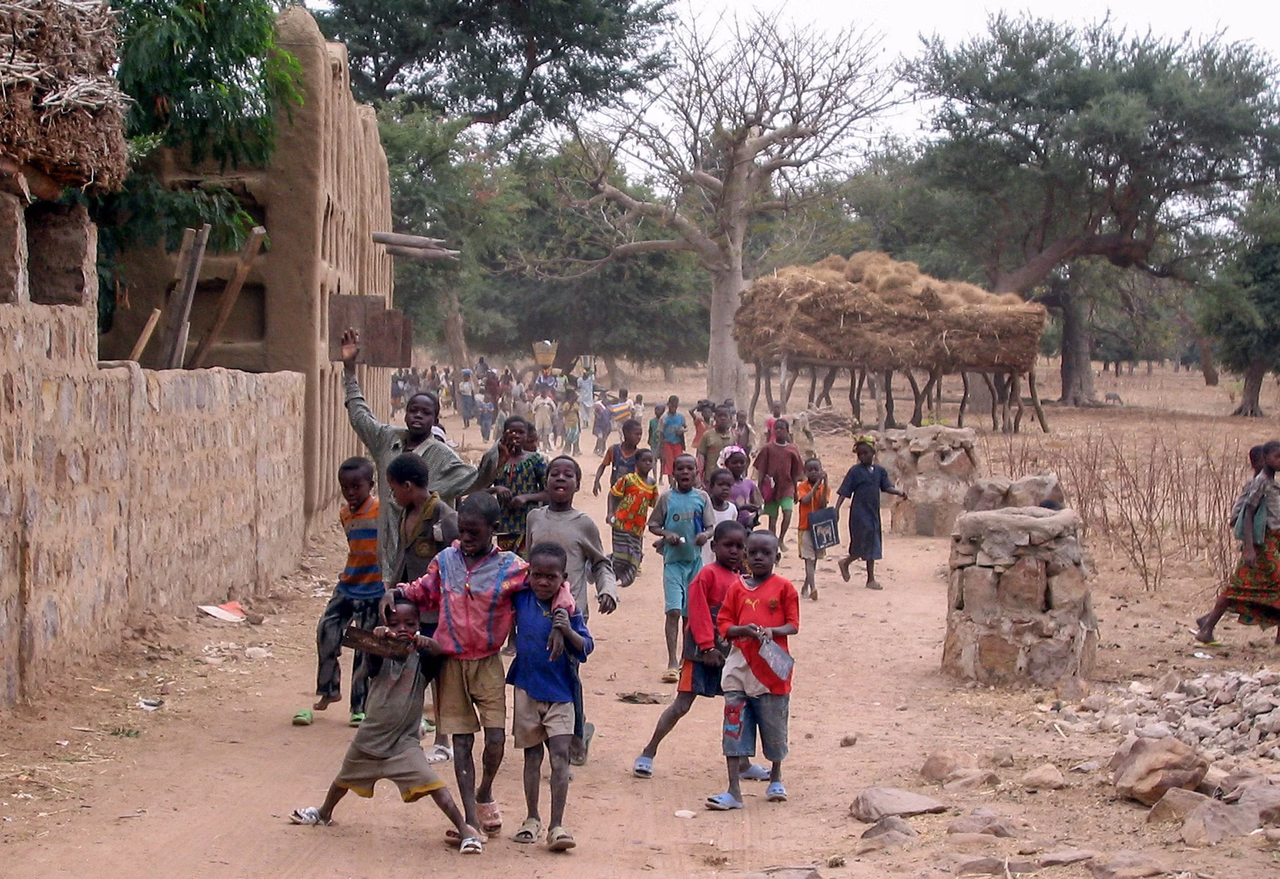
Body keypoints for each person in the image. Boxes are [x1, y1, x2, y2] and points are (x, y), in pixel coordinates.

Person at [386, 493, 573, 843]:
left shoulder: (512, 568)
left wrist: (562, 614)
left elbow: (557, 587)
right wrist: (393, 593)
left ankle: (485, 790)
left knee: (496, 740)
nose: (466, 539)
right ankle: (470, 819)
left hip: (487, 663)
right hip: (451, 663)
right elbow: (421, 593)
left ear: (494, 530)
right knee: (461, 743)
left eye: (474, 532)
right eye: (462, 531)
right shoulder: (444, 562)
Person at [289, 599, 484, 853]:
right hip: (369, 738)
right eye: (394, 624)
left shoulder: (422, 661)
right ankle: (324, 813)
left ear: (418, 625)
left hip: (404, 743)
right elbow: (369, 664)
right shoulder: (379, 656)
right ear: (385, 626)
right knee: (343, 779)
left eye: (410, 624)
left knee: (435, 785)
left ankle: (465, 831)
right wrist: (377, 642)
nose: (402, 629)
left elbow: (440, 653)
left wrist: (426, 642)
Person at [340, 328, 498, 575]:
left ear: (435, 419)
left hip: (427, 561)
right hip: (388, 556)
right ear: (405, 412)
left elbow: (477, 479)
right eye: (413, 410)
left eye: (426, 413)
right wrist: (349, 370)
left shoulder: (443, 457)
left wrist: (498, 455)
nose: (418, 416)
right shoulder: (387, 440)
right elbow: (360, 415)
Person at [632, 519, 767, 785]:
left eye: (740, 547)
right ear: (714, 546)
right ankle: (649, 751)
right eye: (728, 545)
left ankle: (743, 762)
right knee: (682, 705)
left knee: (737, 708)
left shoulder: (745, 579)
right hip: (701, 653)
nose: (734, 551)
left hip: (732, 655)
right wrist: (707, 646)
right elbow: (698, 612)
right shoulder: (706, 575)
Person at [525, 456, 619, 766]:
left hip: (571, 613)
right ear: (546, 480)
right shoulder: (535, 519)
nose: (560, 479)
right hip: (537, 611)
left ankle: (574, 736)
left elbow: (601, 562)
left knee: (568, 674)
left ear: (577, 484)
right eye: (555, 473)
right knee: (541, 670)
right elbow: (528, 562)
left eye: (568, 474)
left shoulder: (583, 523)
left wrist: (607, 590)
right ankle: (546, 732)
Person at [508, 543, 594, 852]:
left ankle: (557, 825)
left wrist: (566, 629)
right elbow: (508, 577)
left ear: (563, 578)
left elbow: (586, 647)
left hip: (560, 694)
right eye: (538, 575)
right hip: (528, 688)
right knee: (532, 757)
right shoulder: (521, 597)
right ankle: (532, 817)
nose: (543, 582)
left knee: (560, 757)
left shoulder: (569, 610)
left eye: (551, 577)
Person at [706, 530, 799, 811]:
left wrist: (771, 631)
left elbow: (793, 625)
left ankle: (776, 776)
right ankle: (734, 790)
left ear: (776, 557)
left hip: (772, 670)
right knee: (734, 726)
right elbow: (724, 624)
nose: (759, 558)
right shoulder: (736, 589)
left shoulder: (784, 588)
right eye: (753, 552)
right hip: (739, 666)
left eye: (766, 553)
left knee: (774, 726)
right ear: (745, 556)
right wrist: (743, 631)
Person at [385, 453, 459, 763]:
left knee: (438, 674)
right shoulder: (406, 513)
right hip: (411, 607)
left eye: (393, 489)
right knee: (410, 671)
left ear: (407, 485)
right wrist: (392, 590)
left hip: (437, 610)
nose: (392, 495)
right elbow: (401, 556)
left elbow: (457, 561)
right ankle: (411, 729)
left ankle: (444, 740)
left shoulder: (443, 515)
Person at [306, 457, 382, 727]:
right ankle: (329, 688)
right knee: (326, 631)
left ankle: (359, 706)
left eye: (356, 486)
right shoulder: (344, 514)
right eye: (345, 487)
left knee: (364, 647)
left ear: (370, 485)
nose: (350, 492)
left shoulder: (381, 511)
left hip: (375, 588)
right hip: (349, 584)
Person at [1195, 440, 1280, 645]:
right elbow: (1247, 512)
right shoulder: (1260, 482)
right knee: (1238, 588)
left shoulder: (1271, 483)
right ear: (1265, 458)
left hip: (1272, 543)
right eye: (1277, 457)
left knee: (1246, 588)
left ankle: (1207, 625)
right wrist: (1250, 548)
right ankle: (1206, 628)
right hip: (1262, 545)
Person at [648, 454, 713, 683]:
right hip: (673, 563)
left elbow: (710, 526)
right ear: (673, 472)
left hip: (695, 564)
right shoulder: (666, 499)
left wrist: (704, 535)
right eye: (680, 469)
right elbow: (653, 525)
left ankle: (687, 659)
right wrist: (667, 534)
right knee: (673, 611)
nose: (685, 473)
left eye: (689, 469)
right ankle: (672, 662)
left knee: (689, 614)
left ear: (697, 472)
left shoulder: (702, 498)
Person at [835, 438, 907, 590]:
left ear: (873, 453)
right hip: (859, 513)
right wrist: (836, 509)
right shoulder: (855, 471)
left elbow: (886, 487)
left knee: (873, 542)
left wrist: (899, 492)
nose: (862, 456)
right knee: (862, 542)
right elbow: (844, 491)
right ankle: (848, 564)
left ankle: (868, 577)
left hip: (873, 512)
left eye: (865, 453)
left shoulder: (879, 471)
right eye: (860, 454)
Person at [489, 417, 548, 556]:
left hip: (529, 525)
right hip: (504, 526)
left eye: (521, 432)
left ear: (527, 436)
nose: (516, 435)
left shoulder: (535, 460)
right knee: (506, 568)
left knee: (526, 566)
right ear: (503, 434)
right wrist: (497, 489)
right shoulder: (494, 460)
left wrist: (526, 497)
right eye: (512, 431)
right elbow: (479, 489)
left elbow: (549, 492)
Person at [752, 419, 804, 551]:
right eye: (777, 428)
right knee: (772, 519)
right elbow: (762, 468)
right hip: (771, 488)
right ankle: (773, 542)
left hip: (787, 487)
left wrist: (796, 491)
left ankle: (781, 539)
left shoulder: (792, 449)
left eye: (782, 428)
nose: (779, 431)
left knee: (788, 513)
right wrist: (760, 487)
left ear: (787, 431)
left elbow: (795, 472)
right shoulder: (768, 448)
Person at [609, 448, 658, 588]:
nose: (648, 464)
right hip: (621, 523)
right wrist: (610, 513)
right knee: (620, 557)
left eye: (651, 461)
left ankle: (600, 568)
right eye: (644, 461)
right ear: (636, 463)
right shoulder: (628, 479)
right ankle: (609, 585)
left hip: (638, 528)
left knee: (636, 555)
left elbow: (655, 504)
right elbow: (613, 494)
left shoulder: (652, 484)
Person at [593, 418, 643, 516]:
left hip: (632, 495)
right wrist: (596, 481)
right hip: (616, 494)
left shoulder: (639, 455)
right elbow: (603, 466)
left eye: (640, 434)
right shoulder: (614, 450)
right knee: (615, 521)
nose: (639, 437)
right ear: (626, 433)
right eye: (636, 434)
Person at [795, 458, 829, 601]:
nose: (814, 472)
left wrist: (825, 484)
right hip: (805, 527)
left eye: (816, 470)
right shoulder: (802, 487)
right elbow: (806, 500)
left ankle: (805, 585)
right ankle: (813, 588)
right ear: (805, 472)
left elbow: (823, 505)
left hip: (819, 527)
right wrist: (815, 487)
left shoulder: (825, 488)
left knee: (814, 560)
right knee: (809, 559)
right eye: (810, 470)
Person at [702, 469, 740, 567]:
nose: (725, 488)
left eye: (728, 485)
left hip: (722, 559)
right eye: (721, 485)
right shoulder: (702, 507)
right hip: (702, 555)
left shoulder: (732, 509)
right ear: (711, 487)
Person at [721, 446, 763, 530]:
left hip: (745, 527)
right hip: (725, 526)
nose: (739, 465)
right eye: (734, 462)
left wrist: (754, 517)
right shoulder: (721, 484)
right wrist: (742, 508)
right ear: (726, 463)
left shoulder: (749, 484)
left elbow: (759, 505)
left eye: (742, 462)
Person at [696, 406, 736, 486]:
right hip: (710, 479)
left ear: (730, 418)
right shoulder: (707, 435)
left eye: (725, 416)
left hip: (727, 478)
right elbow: (700, 457)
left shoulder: (733, 436)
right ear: (715, 418)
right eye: (720, 416)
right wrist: (700, 478)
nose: (723, 418)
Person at [659, 396, 688, 487]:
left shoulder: (680, 417)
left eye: (676, 406)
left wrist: (682, 430)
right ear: (668, 405)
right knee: (669, 464)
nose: (674, 408)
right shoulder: (664, 418)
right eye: (672, 406)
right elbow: (660, 432)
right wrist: (661, 446)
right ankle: (671, 484)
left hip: (678, 443)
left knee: (679, 463)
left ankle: (679, 482)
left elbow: (685, 426)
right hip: (667, 443)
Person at [532, 389, 556, 454]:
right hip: (539, 419)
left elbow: (554, 409)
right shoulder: (537, 399)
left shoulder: (549, 400)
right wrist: (539, 405)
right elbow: (533, 409)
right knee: (538, 434)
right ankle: (538, 448)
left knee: (546, 434)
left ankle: (545, 448)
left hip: (547, 419)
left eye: (545, 392)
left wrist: (549, 405)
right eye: (542, 392)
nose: (544, 393)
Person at [648, 403, 666, 483]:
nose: (656, 412)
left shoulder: (665, 421)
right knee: (654, 461)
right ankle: (655, 477)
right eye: (656, 410)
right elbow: (650, 431)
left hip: (663, 443)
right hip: (654, 443)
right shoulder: (652, 421)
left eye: (659, 410)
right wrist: (649, 439)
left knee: (663, 461)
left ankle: (661, 478)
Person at [561, 389, 582, 455]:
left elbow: (577, 414)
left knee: (576, 438)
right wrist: (570, 408)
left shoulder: (576, 405)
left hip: (575, 423)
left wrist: (579, 424)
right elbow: (564, 414)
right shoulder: (566, 405)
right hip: (568, 424)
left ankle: (575, 451)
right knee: (568, 438)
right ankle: (566, 451)